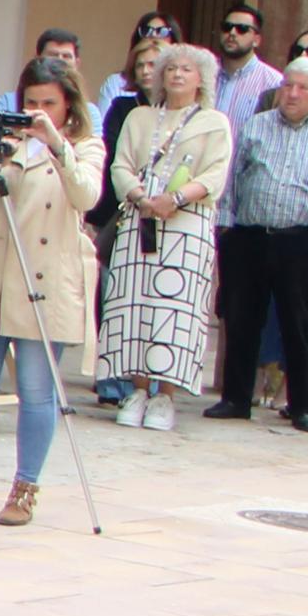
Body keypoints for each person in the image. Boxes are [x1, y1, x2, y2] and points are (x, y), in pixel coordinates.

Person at [0, 61, 102, 525]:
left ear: (68, 103)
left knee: (36, 389)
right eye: (30, 103)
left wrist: (55, 145)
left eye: (48, 103)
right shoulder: (8, 144)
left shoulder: (84, 146)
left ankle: (26, 487)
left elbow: (88, 195)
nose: (37, 112)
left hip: (43, 282)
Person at [210, 58, 308, 429]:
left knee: (299, 325)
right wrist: (226, 231)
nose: (292, 93)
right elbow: (233, 179)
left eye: (303, 87)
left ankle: (302, 405)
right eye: (288, 85)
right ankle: (236, 398)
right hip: (250, 235)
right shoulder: (256, 125)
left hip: (303, 240)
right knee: (241, 319)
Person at [99, 41, 229, 432]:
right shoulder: (139, 117)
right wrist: (141, 197)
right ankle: (137, 388)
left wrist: (175, 198)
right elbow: (120, 164)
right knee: (135, 302)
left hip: (186, 222)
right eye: (170, 68)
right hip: (141, 217)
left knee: (175, 308)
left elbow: (214, 175)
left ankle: (165, 396)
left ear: (201, 79)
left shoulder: (214, 122)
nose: (177, 75)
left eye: (187, 69)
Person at [211, 4, 282, 128]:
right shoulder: (203, 73)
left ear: (257, 40)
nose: (232, 33)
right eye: (227, 27)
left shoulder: (273, 82)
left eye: (242, 29)